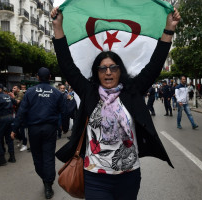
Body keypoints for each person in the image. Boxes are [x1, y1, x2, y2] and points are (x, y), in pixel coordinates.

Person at [51, 7, 180, 199]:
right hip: (95, 177)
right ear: (97, 72)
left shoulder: (132, 91)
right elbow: (67, 64)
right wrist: (57, 27)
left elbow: (155, 64)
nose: (108, 72)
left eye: (113, 68)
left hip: (129, 176)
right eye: (102, 69)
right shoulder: (89, 92)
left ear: (120, 71)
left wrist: (169, 29)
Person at [11, 67, 64, 199]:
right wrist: (61, 125)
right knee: (48, 156)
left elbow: (21, 112)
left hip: (34, 129)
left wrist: (14, 129)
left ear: (38, 77)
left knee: (38, 157)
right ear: (50, 77)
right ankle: (48, 183)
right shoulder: (57, 93)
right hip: (50, 129)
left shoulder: (30, 92)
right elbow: (63, 111)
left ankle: (46, 181)